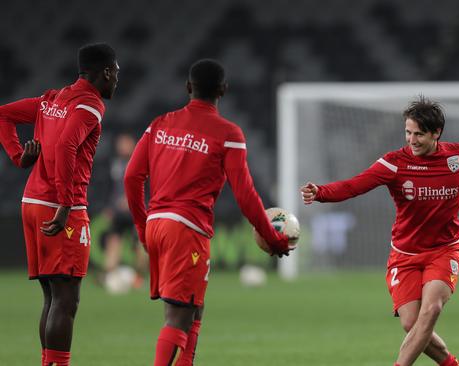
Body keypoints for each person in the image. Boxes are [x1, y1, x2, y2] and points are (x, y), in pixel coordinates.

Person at [300, 96, 459, 366]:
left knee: (432, 309)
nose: (411, 140)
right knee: (411, 324)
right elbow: (354, 185)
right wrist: (320, 192)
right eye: (408, 132)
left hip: (444, 250)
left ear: (436, 133)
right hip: (404, 255)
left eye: (418, 134)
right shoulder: (394, 163)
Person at [124, 59, 293, 366]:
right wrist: (272, 237)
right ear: (223, 90)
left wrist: (141, 227)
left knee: (193, 308)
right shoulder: (227, 132)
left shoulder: (160, 124)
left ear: (189, 88)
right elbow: (244, 193)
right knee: (177, 316)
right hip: (185, 228)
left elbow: (131, 177)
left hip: (157, 223)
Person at [0, 43, 119, 366]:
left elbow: (3, 114)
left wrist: (17, 157)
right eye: (116, 72)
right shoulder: (89, 104)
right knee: (66, 300)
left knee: (52, 297)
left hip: (31, 201)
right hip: (58, 205)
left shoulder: (51, 99)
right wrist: (66, 203)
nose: (117, 80)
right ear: (105, 72)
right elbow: (67, 144)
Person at [100, 132, 147, 290]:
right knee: (113, 244)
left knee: (140, 247)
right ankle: (108, 275)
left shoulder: (141, 162)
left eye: (126, 143)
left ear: (133, 145)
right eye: (121, 143)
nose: (123, 147)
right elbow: (108, 188)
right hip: (118, 213)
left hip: (136, 212)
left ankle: (139, 277)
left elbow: (148, 187)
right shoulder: (114, 164)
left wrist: (132, 201)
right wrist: (108, 207)